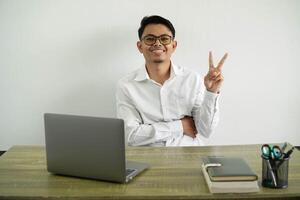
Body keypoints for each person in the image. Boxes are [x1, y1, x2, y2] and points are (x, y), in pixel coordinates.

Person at [116, 15, 228, 146]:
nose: (157, 43)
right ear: (140, 46)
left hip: (190, 155)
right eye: (150, 39)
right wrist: (181, 126)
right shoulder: (126, 85)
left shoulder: (192, 79)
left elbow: (205, 131)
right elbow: (131, 136)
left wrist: (211, 92)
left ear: (174, 45)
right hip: (148, 157)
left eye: (164, 39)